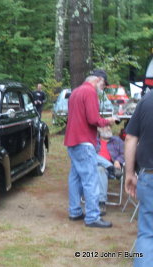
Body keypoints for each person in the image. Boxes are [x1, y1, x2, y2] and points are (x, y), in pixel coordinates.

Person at [64, 69, 116, 228]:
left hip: (72, 141)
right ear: (98, 79)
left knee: (75, 178)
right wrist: (108, 121)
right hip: (84, 142)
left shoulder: (76, 92)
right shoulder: (90, 92)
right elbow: (93, 119)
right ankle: (93, 217)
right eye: (104, 84)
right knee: (91, 179)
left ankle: (75, 211)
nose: (103, 87)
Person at [125, 90, 153, 266]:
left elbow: (130, 138)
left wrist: (129, 173)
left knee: (148, 233)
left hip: (149, 175)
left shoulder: (147, 100)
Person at [95, 125, 124, 215]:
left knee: (101, 169)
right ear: (98, 129)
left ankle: (101, 202)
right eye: (105, 127)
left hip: (110, 170)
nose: (108, 128)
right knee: (92, 156)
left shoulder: (117, 140)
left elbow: (125, 153)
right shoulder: (94, 141)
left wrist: (118, 161)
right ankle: (110, 167)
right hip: (95, 168)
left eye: (109, 127)